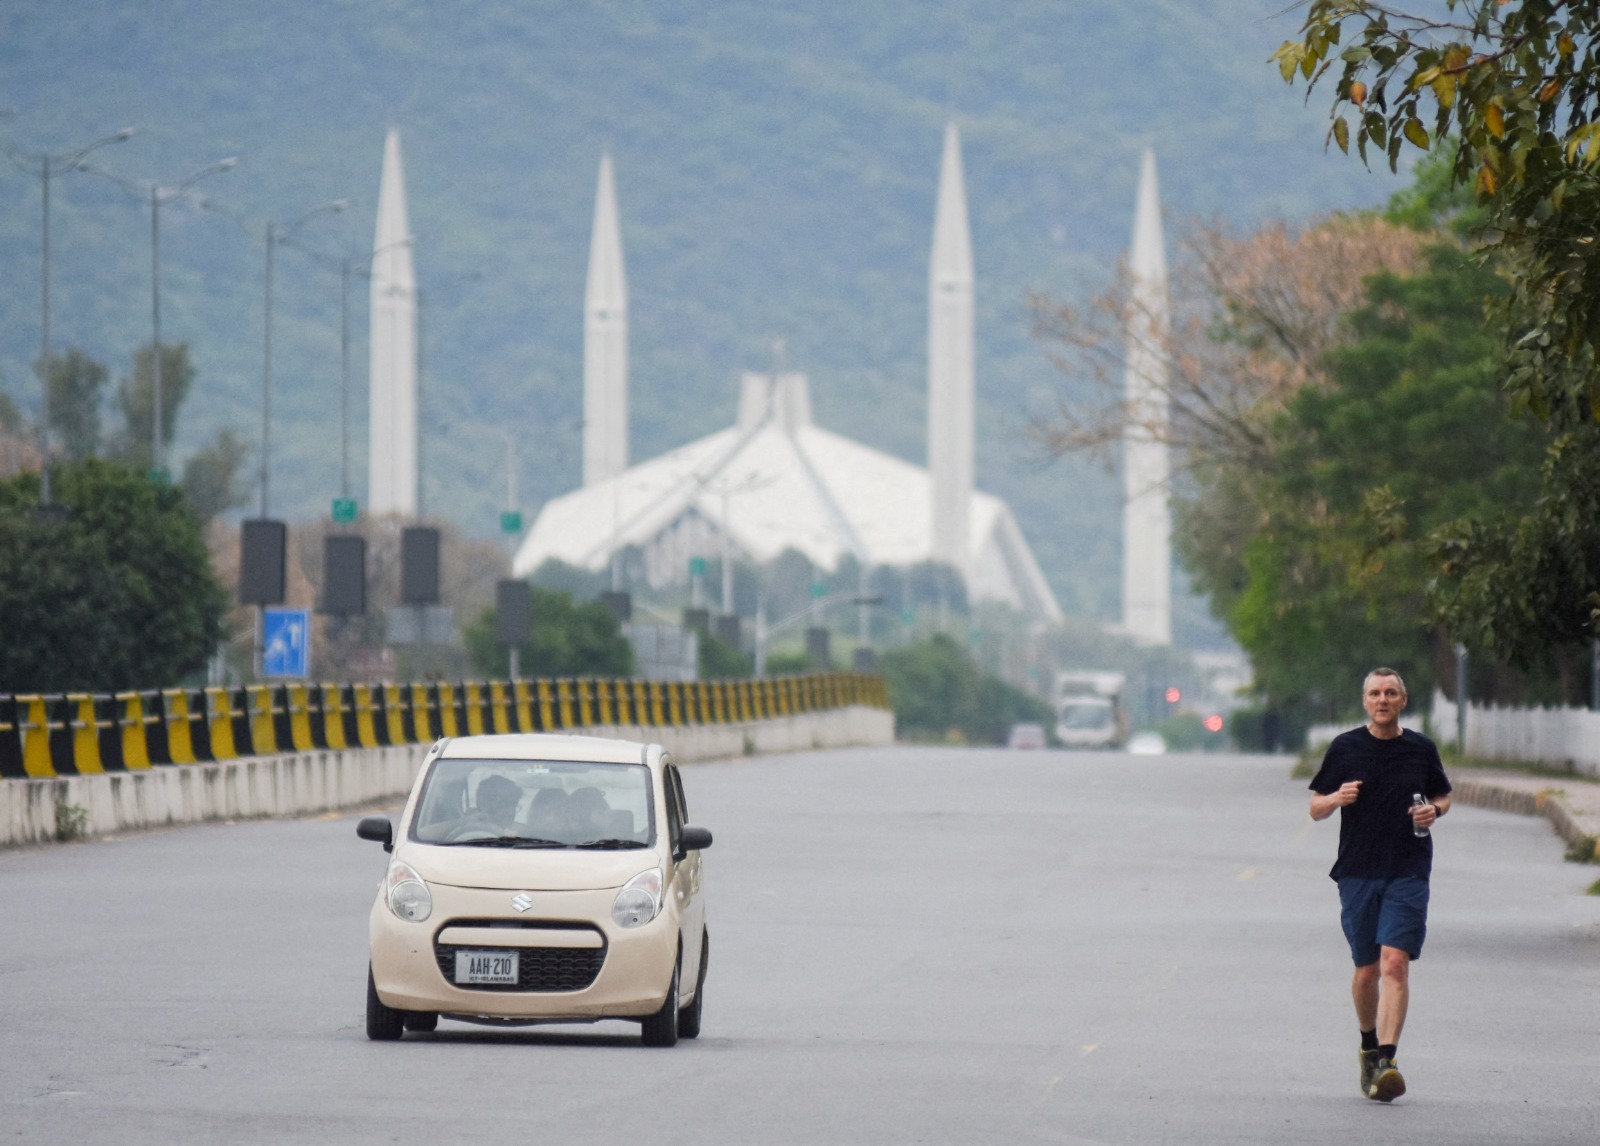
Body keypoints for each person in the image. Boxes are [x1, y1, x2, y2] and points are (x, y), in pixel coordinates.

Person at [1308, 667, 1452, 1103]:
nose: (1383, 700)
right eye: (1375, 693)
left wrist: (1435, 811)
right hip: (1357, 872)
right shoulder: (1346, 748)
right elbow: (1315, 807)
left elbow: (1442, 794)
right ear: (1365, 701)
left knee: (1395, 963)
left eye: (1391, 693)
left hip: (1408, 870)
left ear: (1403, 700)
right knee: (1367, 968)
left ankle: (1387, 1060)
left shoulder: (1420, 749)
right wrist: (1335, 799)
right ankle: (1369, 1045)